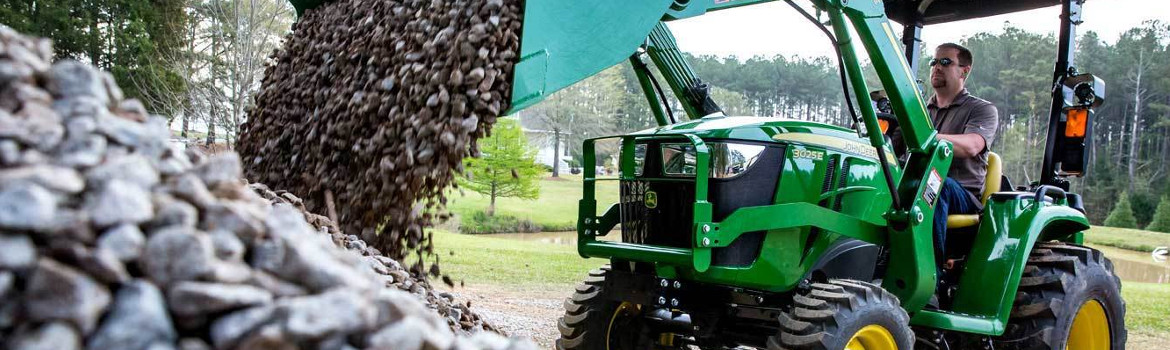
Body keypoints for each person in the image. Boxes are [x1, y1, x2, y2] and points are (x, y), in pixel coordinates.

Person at [921, 43, 999, 279]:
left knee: (935, 184)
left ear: (964, 71)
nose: (937, 67)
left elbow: (972, 145)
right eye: (934, 62)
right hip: (915, 184)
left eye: (945, 62)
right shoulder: (921, 112)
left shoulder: (982, 110)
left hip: (961, 193)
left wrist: (925, 137)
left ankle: (928, 278)